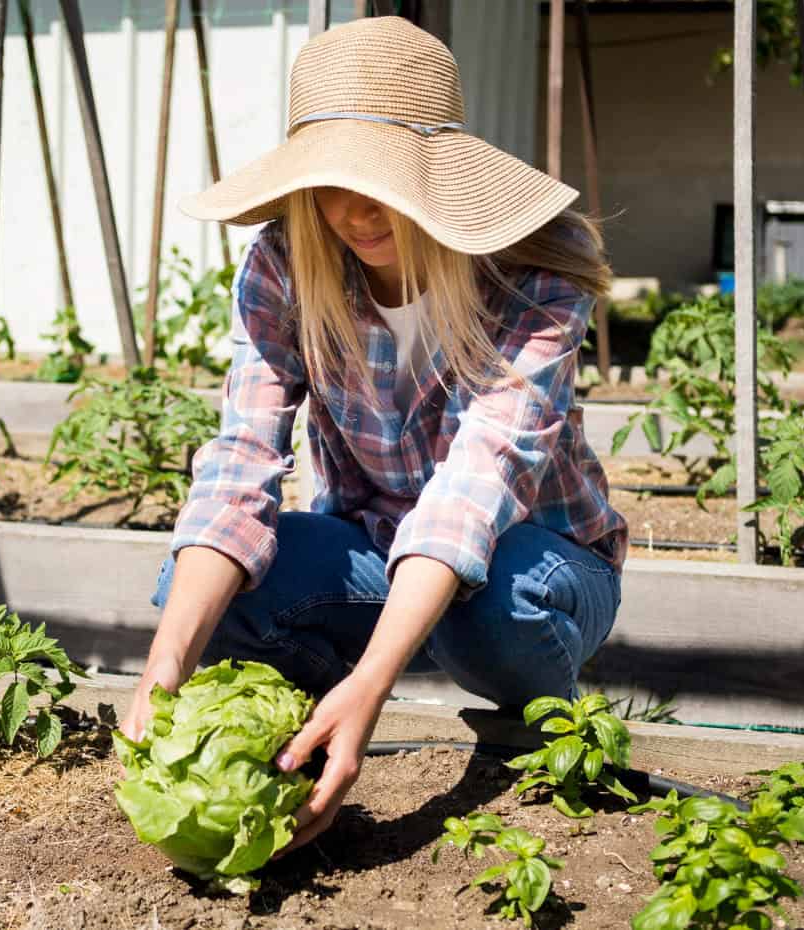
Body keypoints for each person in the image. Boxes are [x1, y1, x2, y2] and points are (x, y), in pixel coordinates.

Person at [119, 16, 628, 856]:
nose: (353, 212)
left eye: (379, 182)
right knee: (196, 590)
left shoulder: (533, 271)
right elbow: (241, 461)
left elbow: (479, 479)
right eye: (330, 182)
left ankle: (517, 701)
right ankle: (319, 715)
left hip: (539, 564)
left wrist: (375, 685)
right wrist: (163, 670)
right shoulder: (288, 265)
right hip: (375, 553)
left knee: (492, 606)